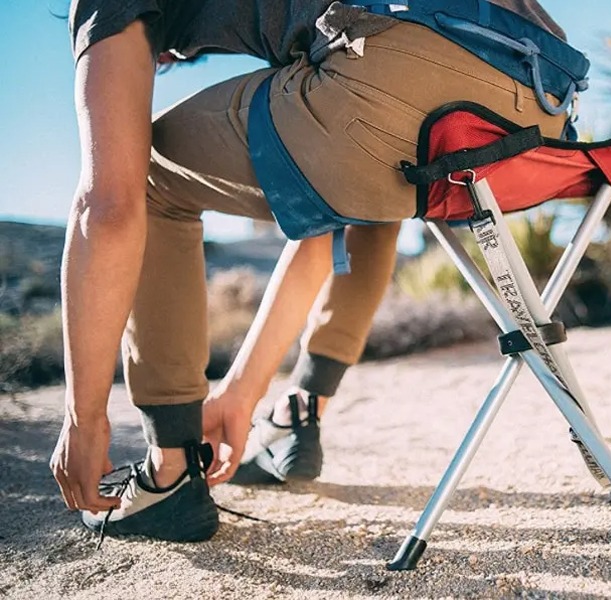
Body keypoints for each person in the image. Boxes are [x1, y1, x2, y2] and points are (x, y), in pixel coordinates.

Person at [51, 0, 571, 542]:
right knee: (373, 182)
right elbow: (330, 218)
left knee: (145, 172)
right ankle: (299, 412)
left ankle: (171, 469)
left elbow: (107, 207)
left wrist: (84, 419)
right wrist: (240, 394)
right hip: (541, 108)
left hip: (398, 63)